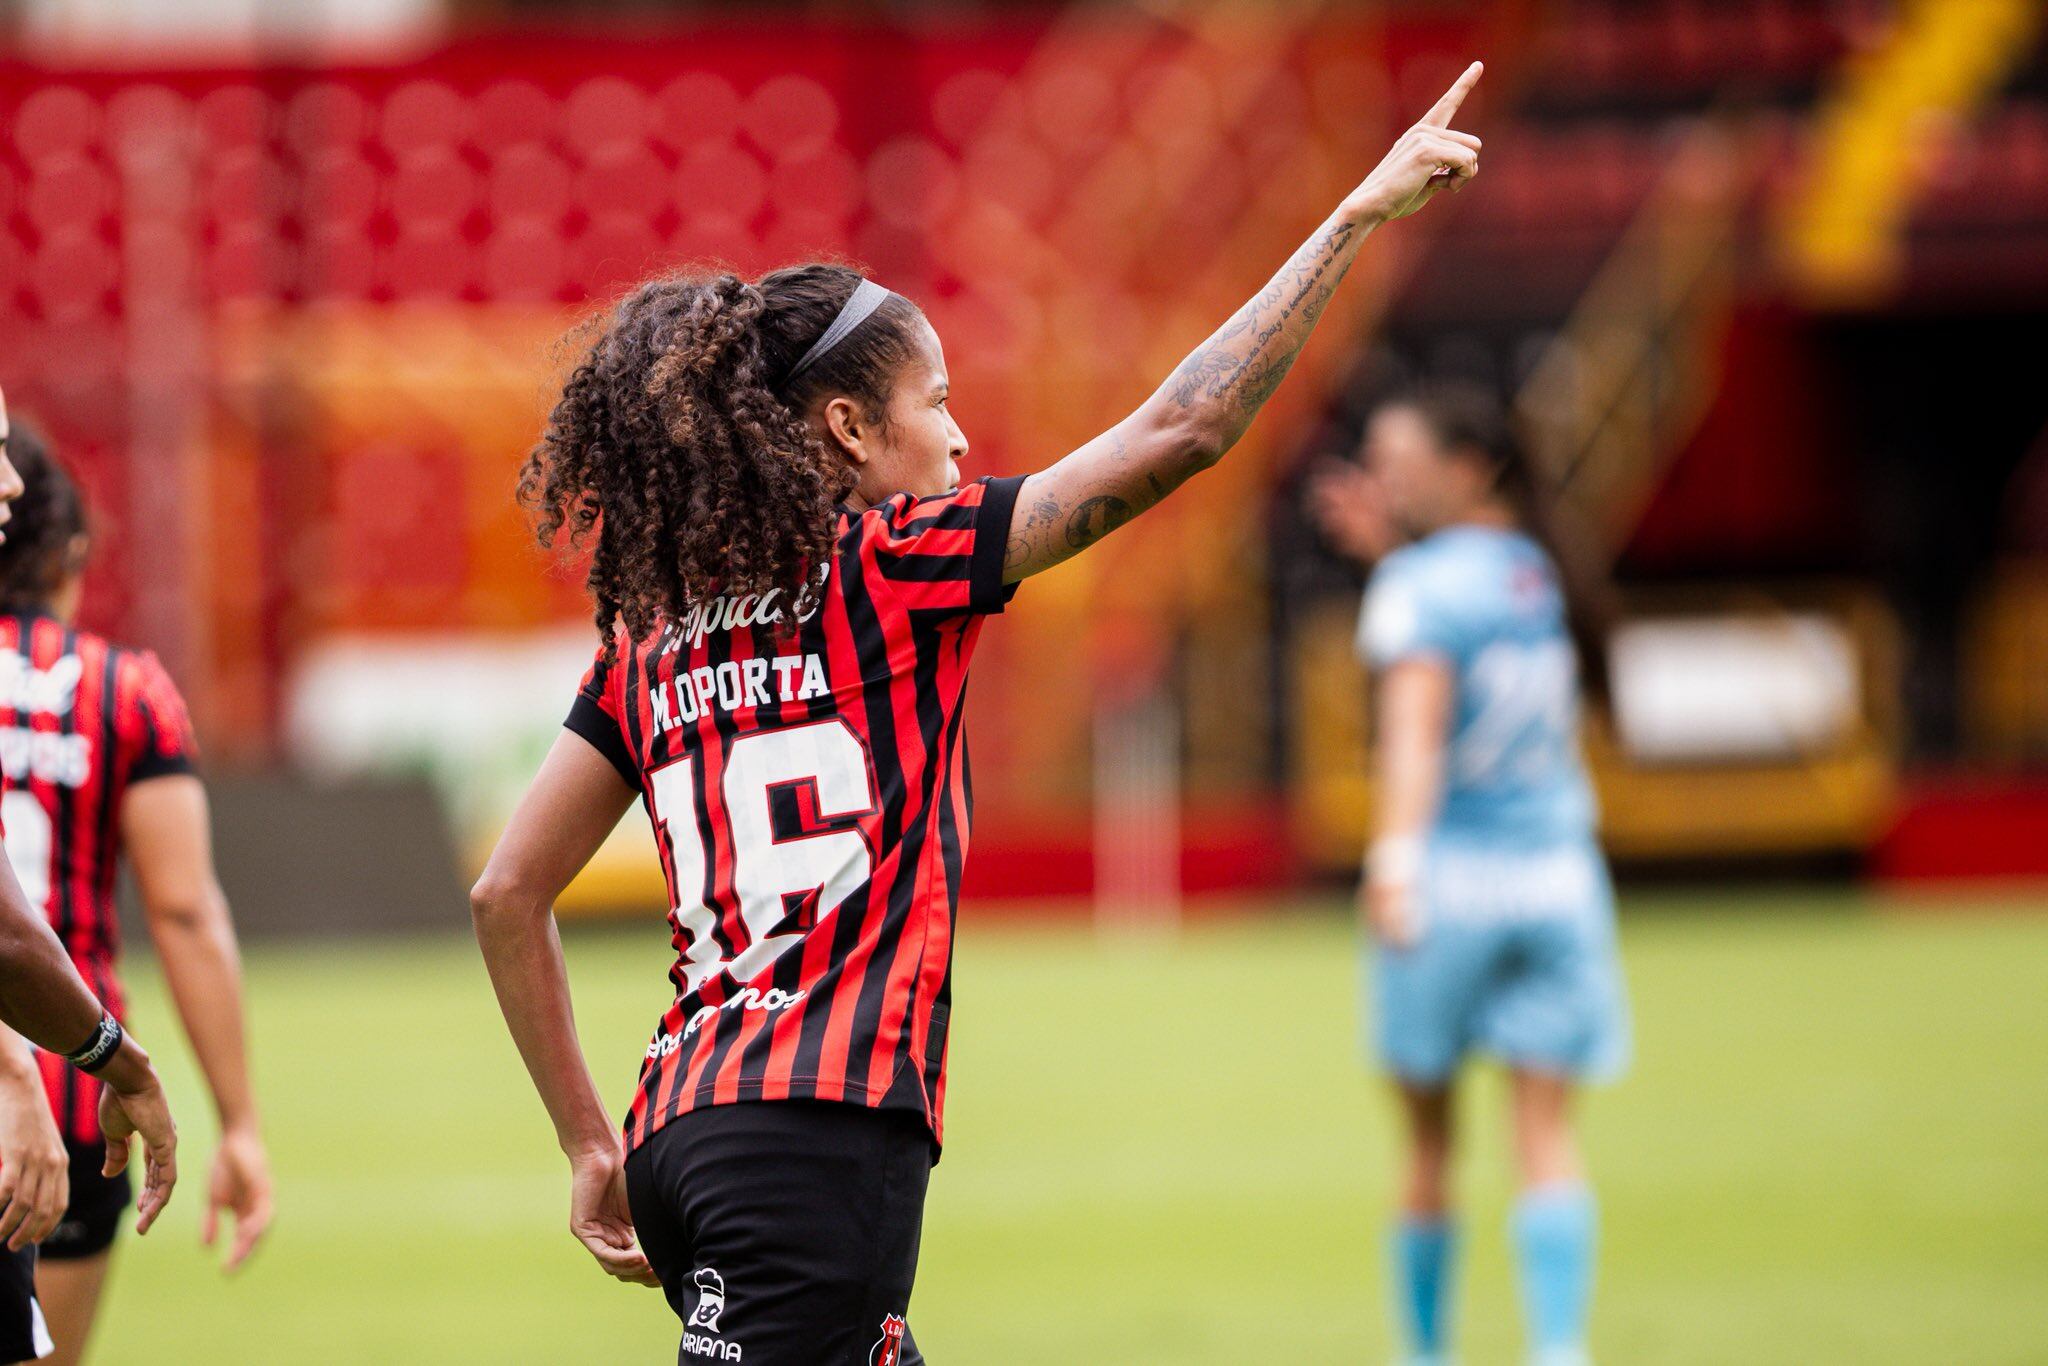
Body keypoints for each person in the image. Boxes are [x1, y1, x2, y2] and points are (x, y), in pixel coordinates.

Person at [472, 62, 1487, 1363]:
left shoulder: (652, 637)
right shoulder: (899, 564)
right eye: (933, 402)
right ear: (844, 425)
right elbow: (1182, 429)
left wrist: (586, 1138)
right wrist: (1348, 220)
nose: (958, 443)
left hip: (681, 1127)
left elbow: (508, 890)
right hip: (816, 1135)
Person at [1311, 385, 1629, 1366]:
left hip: (1447, 880)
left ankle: (1425, 1353)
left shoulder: (1414, 587)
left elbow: (1414, 735)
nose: (1382, 480)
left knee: (1425, 1145)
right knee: (1543, 1135)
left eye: (1397, 460)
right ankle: (1557, 1347)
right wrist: (1390, 557)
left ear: (1467, 466)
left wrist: (1392, 860)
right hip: (1555, 876)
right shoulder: (1537, 568)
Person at [0, 424, 271, 1366]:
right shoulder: (125, 690)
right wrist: (238, 1122)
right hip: (77, 1094)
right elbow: (185, 910)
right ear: (71, 551)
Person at [0, 386, 177, 1365]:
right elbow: (187, 910)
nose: (10, 480)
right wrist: (117, 1059)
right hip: (60, 1081)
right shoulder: (123, 687)